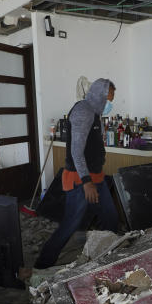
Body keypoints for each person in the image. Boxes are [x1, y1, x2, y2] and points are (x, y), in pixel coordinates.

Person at [34, 78, 118, 269]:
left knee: (110, 217)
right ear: (99, 95)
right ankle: (42, 264)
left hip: (96, 177)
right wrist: (87, 181)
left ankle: (110, 256)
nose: (110, 104)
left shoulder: (95, 113)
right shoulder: (83, 111)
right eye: (109, 99)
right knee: (70, 223)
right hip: (81, 179)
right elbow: (76, 151)